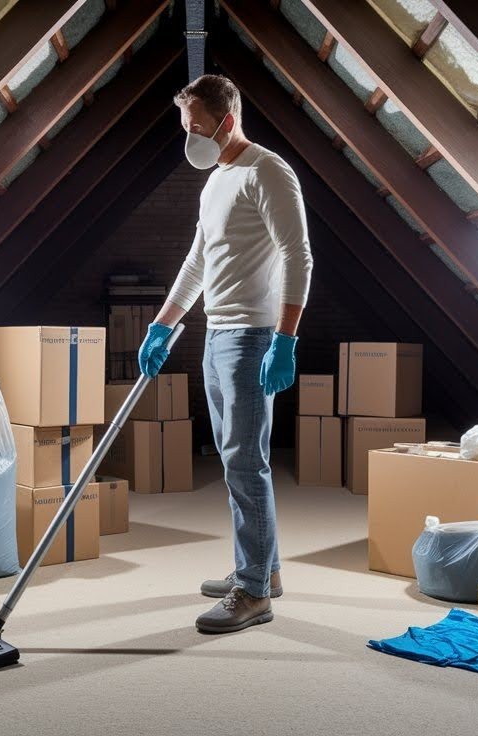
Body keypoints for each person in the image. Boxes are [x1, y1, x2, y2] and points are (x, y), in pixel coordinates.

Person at [139, 75, 313, 634]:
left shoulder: (268, 172)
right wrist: (163, 325)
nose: (189, 137)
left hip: (253, 338)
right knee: (235, 459)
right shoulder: (215, 181)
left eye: (196, 127)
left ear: (227, 121)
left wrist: (285, 339)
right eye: (184, 127)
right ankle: (265, 570)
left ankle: (253, 593)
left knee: (244, 463)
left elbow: (298, 256)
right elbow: (198, 261)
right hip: (217, 335)